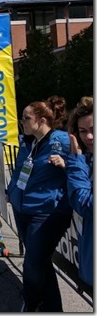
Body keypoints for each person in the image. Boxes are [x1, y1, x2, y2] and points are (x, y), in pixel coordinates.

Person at [6, 95, 72, 312]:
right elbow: (19, 170)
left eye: (26, 118)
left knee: (32, 264)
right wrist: (12, 191)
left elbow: (85, 164)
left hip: (46, 213)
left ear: (42, 120)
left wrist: (66, 165)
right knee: (40, 262)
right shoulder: (27, 141)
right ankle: (53, 308)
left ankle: (31, 303)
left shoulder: (62, 141)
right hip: (22, 209)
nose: (22, 121)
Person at [65, 96, 93, 295]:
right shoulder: (88, 160)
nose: (89, 137)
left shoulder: (81, 161)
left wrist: (75, 161)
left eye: (93, 130)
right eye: (83, 131)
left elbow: (86, 204)